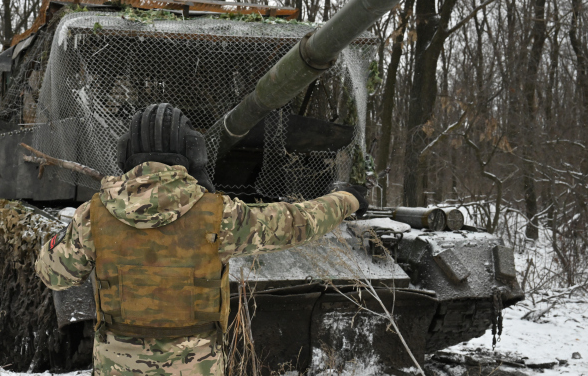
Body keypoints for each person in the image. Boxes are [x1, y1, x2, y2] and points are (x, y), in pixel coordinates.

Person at [36, 103, 368, 376]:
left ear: (126, 155)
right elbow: (299, 222)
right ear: (191, 153)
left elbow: (52, 274)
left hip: (117, 366)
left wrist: (63, 238)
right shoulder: (219, 215)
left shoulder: (94, 215)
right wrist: (347, 199)